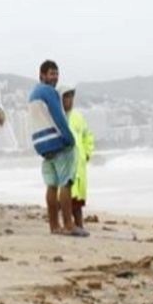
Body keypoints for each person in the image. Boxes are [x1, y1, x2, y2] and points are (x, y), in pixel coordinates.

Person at [28, 60, 84, 236]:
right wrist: (70, 140)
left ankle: (54, 226)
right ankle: (68, 225)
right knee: (65, 183)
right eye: (51, 73)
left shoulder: (33, 94)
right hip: (57, 143)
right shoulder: (49, 92)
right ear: (42, 75)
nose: (55, 77)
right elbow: (58, 117)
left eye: (56, 73)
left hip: (42, 146)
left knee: (51, 186)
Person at [60, 85, 95, 232]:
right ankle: (69, 225)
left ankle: (80, 225)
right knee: (67, 197)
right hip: (65, 163)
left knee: (79, 201)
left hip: (79, 164)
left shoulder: (78, 117)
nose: (69, 100)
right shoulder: (58, 117)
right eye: (66, 97)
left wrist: (87, 152)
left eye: (71, 97)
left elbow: (88, 135)